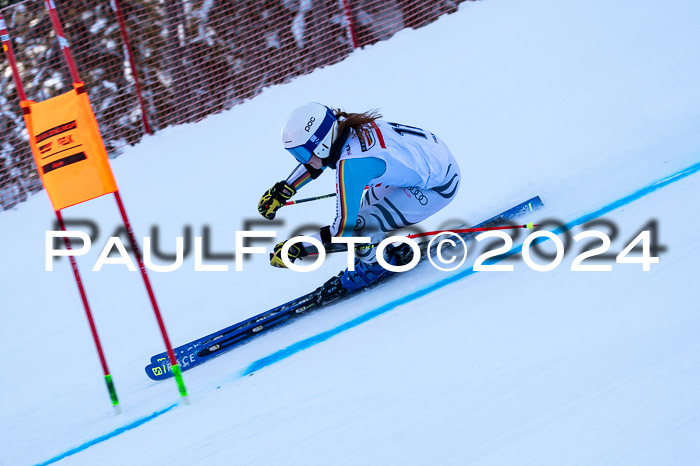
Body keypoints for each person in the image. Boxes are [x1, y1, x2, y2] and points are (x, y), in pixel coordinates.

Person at [258, 102, 461, 292]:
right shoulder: (346, 128)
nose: (302, 160)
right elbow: (319, 161)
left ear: (321, 145)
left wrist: (298, 248)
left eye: (302, 154)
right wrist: (284, 189)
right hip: (432, 160)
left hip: (438, 186)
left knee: (361, 227)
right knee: (365, 214)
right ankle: (376, 248)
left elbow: (342, 231)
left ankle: (376, 266)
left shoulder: (351, 166)